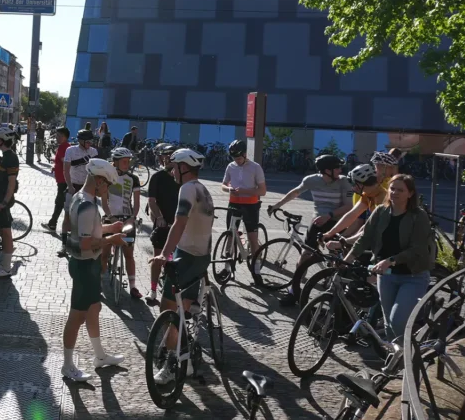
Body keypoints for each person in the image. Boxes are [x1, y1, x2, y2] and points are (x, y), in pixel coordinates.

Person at [341, 174, 434, 340]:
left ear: (410, 194)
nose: (394, 193)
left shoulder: (418, 216)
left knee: (397, 320)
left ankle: (408, 356)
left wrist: (390, 260)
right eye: (392, 188)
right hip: (387, 276)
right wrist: (346, 261)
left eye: (400, 190)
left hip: (413, 276)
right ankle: (395, 357)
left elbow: (417, 249)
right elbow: (365, 238)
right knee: (388, 324)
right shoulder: (381, 211)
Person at [150, 148, 214, 384]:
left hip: (186, 256)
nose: (171, 170)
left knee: (169, 310)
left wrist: (163, 255)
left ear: (183, 168)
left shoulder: (187, 189)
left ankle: (171, 363)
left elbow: (179, 222)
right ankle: (184, 358)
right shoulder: (204, 189)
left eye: (174, 166)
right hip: (200, 255)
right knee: (180, 310)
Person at [62, 158, 128, 381]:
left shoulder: (81, 199)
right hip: (84, 266)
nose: (107, 190)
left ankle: (99, 356)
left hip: (86, 266)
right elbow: (85, 243)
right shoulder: (88, 205)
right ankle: (68, 365)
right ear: (99, 181)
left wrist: (110, 228)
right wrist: (113, 239)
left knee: (94, 309)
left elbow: (89, 230)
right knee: (76, 317)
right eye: (107, 185)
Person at [266, 154, 354, 306]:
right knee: (305, 257)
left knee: (338, 260)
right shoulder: (311, 180)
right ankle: (293, 292)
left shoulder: (344, 182)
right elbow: (295, 192)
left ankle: (336, 296)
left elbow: (349, 206)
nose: (341, 170)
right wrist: (277, 205)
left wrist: (329, 215)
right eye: (337, 167)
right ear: (327, 170)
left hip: (338, 223)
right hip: (318, 223)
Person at [220, 139, 267, 278]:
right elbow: (222, 185)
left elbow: (262, 191)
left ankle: (257, 270)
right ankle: (227, 267)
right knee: (230, 235)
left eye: (240, 158)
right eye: (235, 158)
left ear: (245, 154)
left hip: (250, 205)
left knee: (252, 238)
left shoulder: (255, 167)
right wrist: (229, 189)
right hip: (234, 203)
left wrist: (245, 191)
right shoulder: (231, 166)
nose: (238, 161)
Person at [106, 147, 142, 300]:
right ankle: (101, 280)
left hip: (127, 219)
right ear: (115, 162)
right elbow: (103, 200)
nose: (127, 164)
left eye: (128, 162)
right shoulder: (107, 177)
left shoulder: (133, 179)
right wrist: (110, 217)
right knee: (105, 252)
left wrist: (132, 217)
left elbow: (137, 202)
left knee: (129, 253)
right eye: (124, 162)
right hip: (110, 219)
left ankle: (133, 286)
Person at [146, 143, 180, 305]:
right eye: (164, 157)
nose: (166, 160)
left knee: (177, 259)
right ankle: (152, 291)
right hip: (162, 224)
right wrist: (159, 217)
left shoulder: (181, 178)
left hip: (179, 224)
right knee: (157, 258)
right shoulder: (157, 177)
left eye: (170, 157)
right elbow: (152, 201)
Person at [323, 163, 388, 243]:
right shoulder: (368, 195)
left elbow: (370, 228)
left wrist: (345, 242)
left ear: (360, 184)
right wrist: (329, 233)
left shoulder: (383, 199)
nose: (353, 188)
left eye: (354, 184)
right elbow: (352, 215)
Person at [0, 126, 19, 278]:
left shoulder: (11, 158)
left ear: (2, 140)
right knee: (3, 230)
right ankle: (4, 265)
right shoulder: (6, 156)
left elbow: (11, 183)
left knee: (6, 232)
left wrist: (4, 202)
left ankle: (6, 267)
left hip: (3, 201)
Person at [62, 129, 101, 242]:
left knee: (88, 216)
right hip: (73, 185)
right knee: (67, 216)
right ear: (80, 141)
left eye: (91, 142)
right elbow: (66, 169)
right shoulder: (71, 150)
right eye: (87, 142)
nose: (90, 144)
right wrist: (69, 186)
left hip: (87, 188)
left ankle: (83, 241)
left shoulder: (93, 151)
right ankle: (64, 244)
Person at [42, 127, 72, 232]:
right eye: (57, 136)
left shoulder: (64, 147)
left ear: (65, 137)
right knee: (60, 202)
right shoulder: (64, 147)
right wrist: (55, 164)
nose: (57, 138)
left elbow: (66, 163)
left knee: (60, 202)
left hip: (64, 180)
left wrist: (57, 164)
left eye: (59, 136)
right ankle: (53, 223)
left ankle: (53, 224)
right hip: (62, 179)